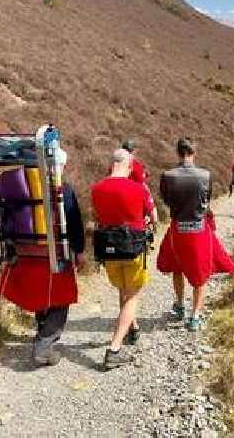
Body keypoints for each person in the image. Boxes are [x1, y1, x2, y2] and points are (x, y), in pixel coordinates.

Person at [0, 152, 86, 368]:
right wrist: (80, 250)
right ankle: (44, 344)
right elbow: (74, 223)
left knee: (40, 295)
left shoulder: (19, 191)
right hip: (54, 255)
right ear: (60, 166)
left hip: (25, 253)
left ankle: (41, 334)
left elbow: (4, 220)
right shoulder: (63, 190)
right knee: (61, 298)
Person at [157, 138, 234, 331]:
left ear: (178, 152)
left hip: (178, 228)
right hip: (199, 228)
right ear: (194, 153)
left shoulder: (167, 175)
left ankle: (179, 305)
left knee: (177, 266)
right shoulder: (205, 175)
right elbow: (206, 200)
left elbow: (166, 200)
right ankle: (195, 316)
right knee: (201, 271)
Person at [92, 149, 158, 370]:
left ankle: (132, 327)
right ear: (130, 166)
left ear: (112, 165)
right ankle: (114, 349)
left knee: (123, 290)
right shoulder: (137, 188)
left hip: (109, 249)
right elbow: (154, 217)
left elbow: (97, 216)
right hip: (132, 249)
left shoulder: (97, 189)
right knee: (133, 295)